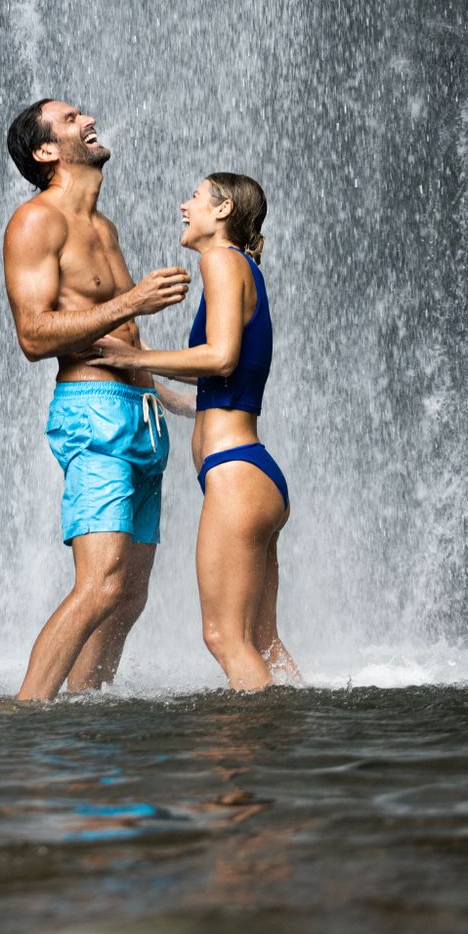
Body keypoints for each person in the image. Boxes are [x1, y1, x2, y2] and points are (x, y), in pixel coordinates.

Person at [1, 99, 193, 702]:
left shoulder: (103, 226)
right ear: (46, 151)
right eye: (70, 119)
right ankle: (24, 715)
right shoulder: (35, 221)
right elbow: (34, 336)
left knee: (128, 596)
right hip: (92, 413)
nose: (87, 120)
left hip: (142, 418)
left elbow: (120, 339)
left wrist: (178, 398)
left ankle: (86, 712)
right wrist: (133, 301)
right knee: (100, 583)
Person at [91, 173, 301, 691]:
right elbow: (222, 383)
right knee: (262, 641)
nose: (184, 207)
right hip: (254, 474)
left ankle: (249, 745)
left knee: (224, 637)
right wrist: (159, 387)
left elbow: (222, 357)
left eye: (195, 197)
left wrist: (135, 357)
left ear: (223, 210)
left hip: (235, 476)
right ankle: (298, 733)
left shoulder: (222, 260)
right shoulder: (245, 267)